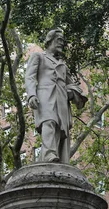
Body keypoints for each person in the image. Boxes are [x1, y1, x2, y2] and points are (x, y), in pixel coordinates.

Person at [25, 28, 87, 163]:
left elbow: (71, 84)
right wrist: (31, 95)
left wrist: (74, 93)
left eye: (63, 42)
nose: (61, 44)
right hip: (44, 97)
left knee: (59, 130)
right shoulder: (38, 56)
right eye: (59, 40)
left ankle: (49, 159)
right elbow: (29, 77)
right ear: (50, 40)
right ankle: (49, 154)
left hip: (61, 101)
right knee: (49, 122)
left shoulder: (63, 65)